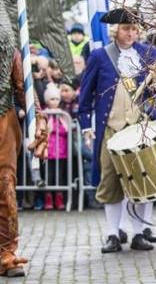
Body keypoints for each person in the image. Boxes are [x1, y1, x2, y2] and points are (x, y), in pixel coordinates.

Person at [78, 8, 156, 254]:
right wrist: (85, 128)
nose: (130, 33)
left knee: (143, 180)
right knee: (110, 182)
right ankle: (112, 234)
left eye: (134, 29)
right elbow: (85, 96)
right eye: (125, 28)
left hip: (139, 127)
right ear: (115, 30)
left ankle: (138, 233)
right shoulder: (100, 56)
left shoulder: (149, 54)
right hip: (111, 129)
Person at [0, 20, 48, 277]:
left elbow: (24, 90)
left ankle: (6, 252)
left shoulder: (8, 47)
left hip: (3, 125)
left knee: (5, 187)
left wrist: (39, 117)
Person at [44, 86, 68, 211]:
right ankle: (48, 199)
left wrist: (59, 121)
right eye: (52, 99)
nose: (55, 101)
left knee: (60, 176)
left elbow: (66, 130)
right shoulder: (45, 114)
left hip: (61, 151)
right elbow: (47, 130)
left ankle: (59, 199)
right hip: (49, 151)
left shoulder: (62, 115)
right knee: (49, 176)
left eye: (57, 99)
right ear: (47, 100)